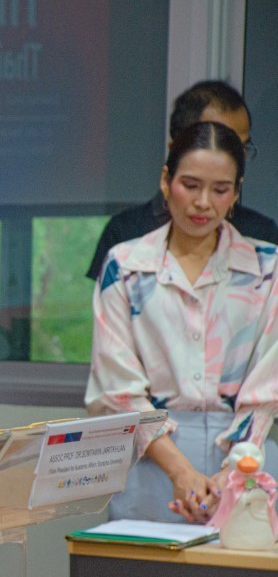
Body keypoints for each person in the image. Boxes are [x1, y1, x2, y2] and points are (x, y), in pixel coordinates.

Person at [86, 121, 278, 524]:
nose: (203, 203)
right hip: (150, 456)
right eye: (190, 185)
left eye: (220, 190)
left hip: (246, 460)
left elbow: (267, 388)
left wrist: (231, 473)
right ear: (165, 180)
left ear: (236, 192)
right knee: (144, 565)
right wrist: (180, 472)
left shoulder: (267, 269)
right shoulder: (125, 267)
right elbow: (117, 388)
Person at [86, 80, 278, 281]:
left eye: (241, 148)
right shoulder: (125, 235)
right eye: (215, 142)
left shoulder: (262, 242)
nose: (203, 203)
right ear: (175, 148)